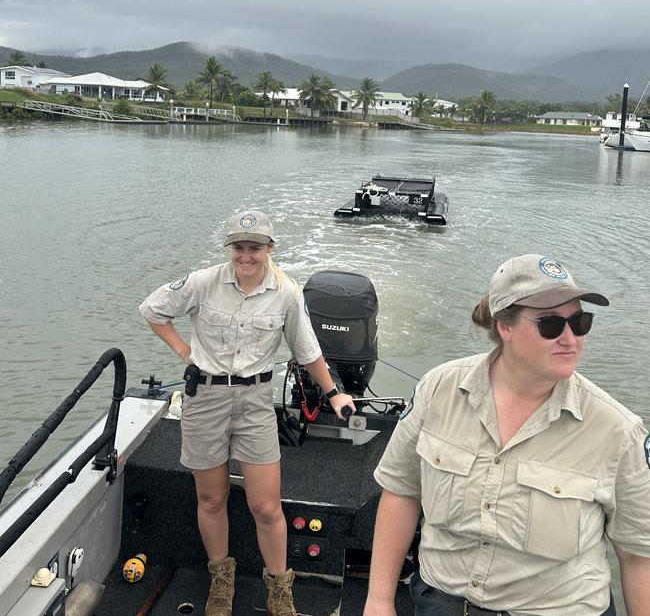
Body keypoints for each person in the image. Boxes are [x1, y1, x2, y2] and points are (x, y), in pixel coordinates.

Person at [363, 254, 650, 616]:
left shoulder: (618, 430)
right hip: (442, 604)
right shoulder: (440, 389)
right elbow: (402, 490)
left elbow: (638, 556)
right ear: (504, 327)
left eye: (580, 322)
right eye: (550, 324)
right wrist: (378, 599)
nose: (569, 338)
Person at [139, 209, 356, 616]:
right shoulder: (203, 282)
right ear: (229, 249)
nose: (246, 256)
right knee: (211, 498)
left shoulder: (287, 292)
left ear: (269, 248)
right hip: (205, 398)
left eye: (254, 247)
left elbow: (307, 351)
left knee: (267, 506)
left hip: (255, 401)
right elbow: (153, 309)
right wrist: (185, 351)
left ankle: (279, 588)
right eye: (238, 247)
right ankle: (222, 581)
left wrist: (334, 393)